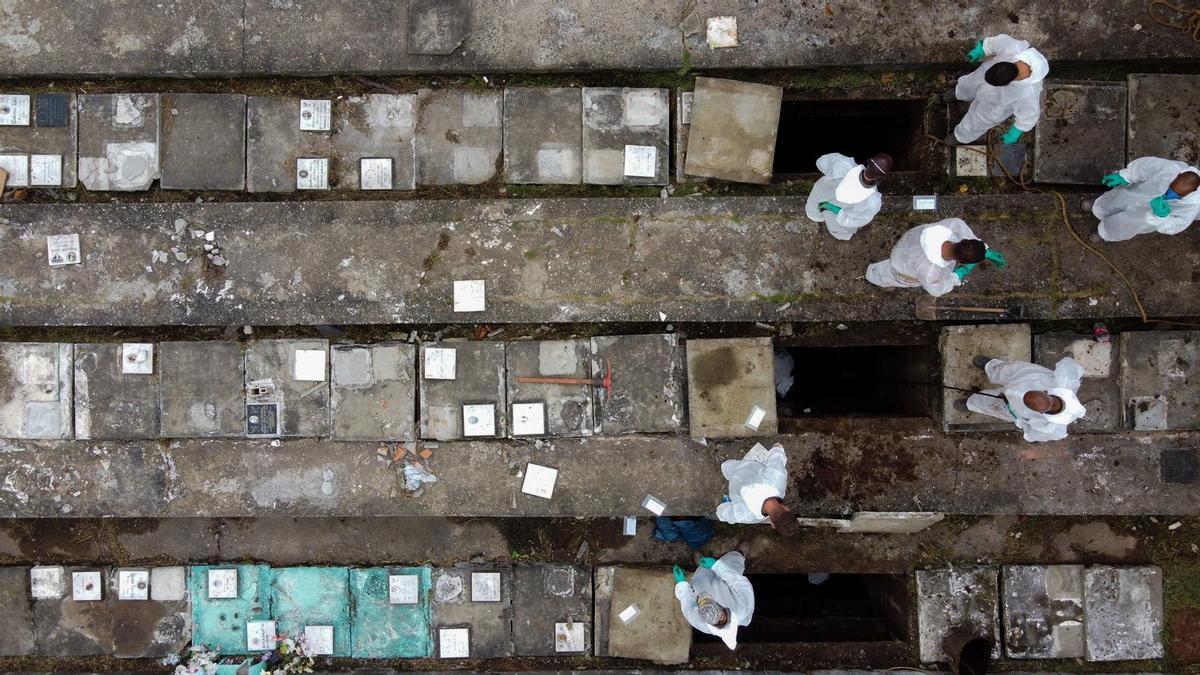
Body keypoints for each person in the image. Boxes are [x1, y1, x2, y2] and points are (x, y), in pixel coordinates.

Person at [958, 355, 1086, 442]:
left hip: (1012, 409)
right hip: (1023, 377)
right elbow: (1071, 366)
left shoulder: (1050, 428)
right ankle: (991, 368)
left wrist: (1021, 422)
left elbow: (1032, 433)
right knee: (1006, 370)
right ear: (1048, 393)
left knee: (992, 406)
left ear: (1041, 413)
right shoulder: (1063, 381)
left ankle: (972, 403)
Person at [865, 218, 1004, 297]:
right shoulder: (931, 272)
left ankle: (879, 276)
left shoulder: (953, 225)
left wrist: (986, 251)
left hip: (907, 246)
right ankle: (872, 276)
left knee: (888, 268)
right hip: (902, 269)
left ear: (961, 241)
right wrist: (956, 276)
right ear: (960, 262)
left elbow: (966, 235)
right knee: (886, 275)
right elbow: (937, 289)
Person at [951, 35, 1049, 145]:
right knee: (969, 84)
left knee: (977, 121)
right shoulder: (1013, 48)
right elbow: (994, 43)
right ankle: (957, 93)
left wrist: (1013, 134)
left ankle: (960, 136)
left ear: (1008, 83)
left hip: (995, 105)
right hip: (979, 79)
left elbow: (1028, 116)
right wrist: (979, 50)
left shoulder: (1028, 93)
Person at [1090, 157, 1200, 241]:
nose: (1170, 195)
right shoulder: (1171, 169)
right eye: (1171, 188)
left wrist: (1161, 217)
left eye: (1177, 195)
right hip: (1136, 193)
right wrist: (1125, 175)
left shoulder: (1192, 207)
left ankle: (1105, 232)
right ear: (1177, 176)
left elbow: (1177, 225)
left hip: (1143, 217)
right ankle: (1099, 207)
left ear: (1193, 191)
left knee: (1124, 224)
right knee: (1116, 199)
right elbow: (1145, 167)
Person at [673, 551, 755, 650]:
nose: (704, 597)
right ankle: (739, 553)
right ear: (720, 605)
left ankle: (738, 553)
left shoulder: (700, 623)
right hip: (727, 582)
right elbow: (738, 582)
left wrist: (682, 584)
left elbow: (687, 605)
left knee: (703, 576)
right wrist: (717, 566)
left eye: (702, 601)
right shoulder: (743, 608)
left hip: (707, 583)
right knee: (731, 564)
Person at [715, 443, 800, 535]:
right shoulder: (747, 515)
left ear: (787, 508)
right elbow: (722, 512)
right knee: (731, 473)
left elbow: (777, 456)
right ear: (772, 524)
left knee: (729, 466)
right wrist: (724, 506)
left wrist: (778, 448)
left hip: (744, 467)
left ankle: (725, 466)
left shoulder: (777, 478)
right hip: (734, 485)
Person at [804, 153, 892, 240]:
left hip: (821, 194)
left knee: (814, 210)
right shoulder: (872, 202)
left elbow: (820, 162)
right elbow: (855, 221)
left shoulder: (842, 163)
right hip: (839, 217)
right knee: (839, 228)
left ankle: (815, 217)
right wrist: (834, 209)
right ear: (883, 176)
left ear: (868, 161)